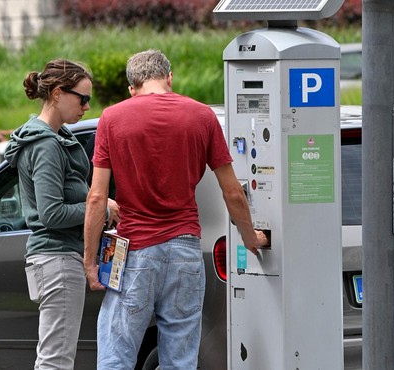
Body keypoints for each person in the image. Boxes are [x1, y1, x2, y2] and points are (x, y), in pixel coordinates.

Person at [83, 49, 268, 369]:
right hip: (184, 249)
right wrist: (251, 237)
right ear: (169, 78)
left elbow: (97, 198)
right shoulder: (202, 116)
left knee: (117, 350)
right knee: (181, 356)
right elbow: (233, 191)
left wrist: (89, 260)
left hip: (135, 250)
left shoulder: (112, 118)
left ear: (132, 87)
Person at [4, 59, 119, 369]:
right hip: (56, 259)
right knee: (56, 360)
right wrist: (100, 207)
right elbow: (51, 213)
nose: (87, 105)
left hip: (55, 259)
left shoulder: (55, 138)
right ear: (57, 94)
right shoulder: (45, 146)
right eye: (82, 98)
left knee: (56, 355)